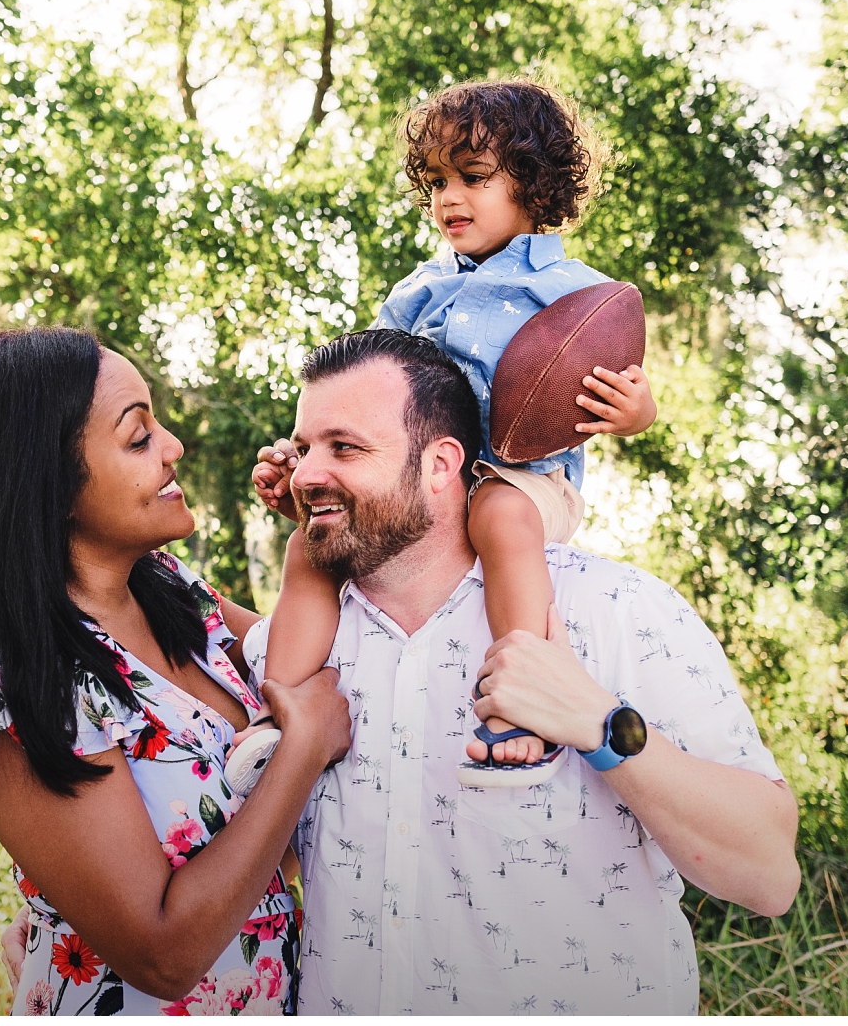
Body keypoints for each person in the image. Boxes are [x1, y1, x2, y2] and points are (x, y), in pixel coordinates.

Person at [244, 329, 799, 1014]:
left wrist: (597, 724)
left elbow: (769, 873)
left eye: (344, 447)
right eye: (302, 450)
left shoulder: (616, 610)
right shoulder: (290, 656)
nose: (303, 474)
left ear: (442, 463)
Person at [0, 328, 352, 1015]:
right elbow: (162, 954)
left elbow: (324, 660)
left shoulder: (176, 595)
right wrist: (301, 749)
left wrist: (320, 510)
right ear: (50, 485)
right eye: (139, 436)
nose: (174, 446)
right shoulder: (19, 691)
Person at [234, 79, 656, 792]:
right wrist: (310, 457)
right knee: (315, 542)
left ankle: (519, 703)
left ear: (535, 182)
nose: (447, 198)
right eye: (434, 182)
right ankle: (277, 716)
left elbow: (624, 389)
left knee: (502, 516)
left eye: (473, 178)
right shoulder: (419, 291)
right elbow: (362, 394)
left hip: (521, 477)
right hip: (424, 477)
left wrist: (635, 412)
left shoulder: (577, 293)